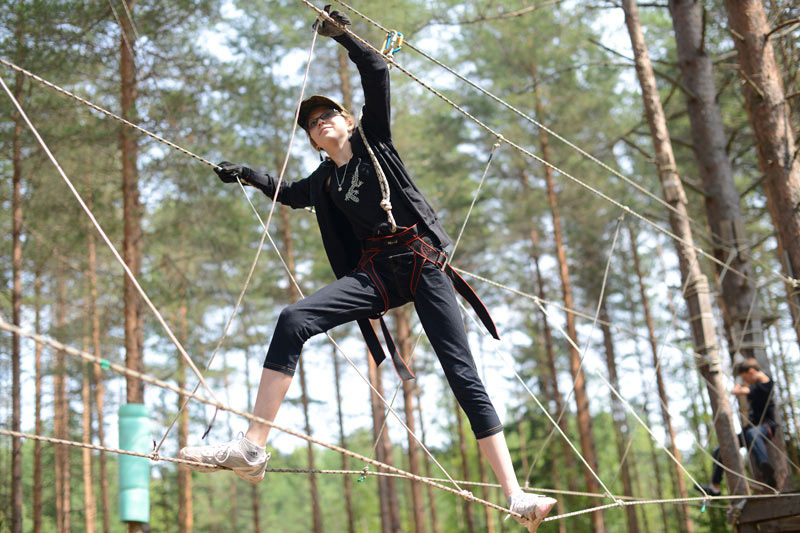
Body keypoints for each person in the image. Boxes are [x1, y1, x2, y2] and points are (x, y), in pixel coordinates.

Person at [179, 8, 556, 530]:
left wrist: (345, 36)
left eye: (328, 114)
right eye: (313, 124)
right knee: (293, 320)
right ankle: (251, 449)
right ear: (312, 141)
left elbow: (377, 74)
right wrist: (247, 175)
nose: (322, 122)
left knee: (461, 372)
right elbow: (289, 195)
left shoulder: (374, 142)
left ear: (348, 121)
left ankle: (515, 496)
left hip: (421, 263)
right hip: (376, 272)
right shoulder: (324, 181)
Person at [698, 358, 778, 495]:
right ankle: (715, 487)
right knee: (721, 450)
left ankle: (765, 469)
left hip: (766, 427)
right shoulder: (754, 386)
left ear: (752, 371)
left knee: (753, 433)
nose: (745, 381)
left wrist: (740, 384)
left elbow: (738, 391)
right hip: (750, 431)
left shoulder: (766, 383)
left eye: (745, 377)